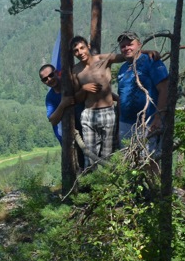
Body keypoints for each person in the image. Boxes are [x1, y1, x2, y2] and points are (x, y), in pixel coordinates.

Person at [55, 35, 117, 167]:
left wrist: (145, 52)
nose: (80, 52)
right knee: (89, 156)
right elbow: (77, 98)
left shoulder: (103, 59)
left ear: (88, 46)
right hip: (88, 114)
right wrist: (84, 89)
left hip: (108, 112)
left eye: (82, 48)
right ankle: (91, 186)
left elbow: (126, 55)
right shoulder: (76, 71)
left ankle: (106, 186)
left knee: (107, 155)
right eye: (76, 50)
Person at [110, 31, 169, 154]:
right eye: (123, 46)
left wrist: (158, 118)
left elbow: (165, 89)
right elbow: (121, 98)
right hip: (125, 124)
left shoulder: (151, 61)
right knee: (128, 162)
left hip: (148, 122)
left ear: (139, 45)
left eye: (130, 44)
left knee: (150, 160)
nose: (126, 48)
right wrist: (119, 125)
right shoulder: (123, 69)